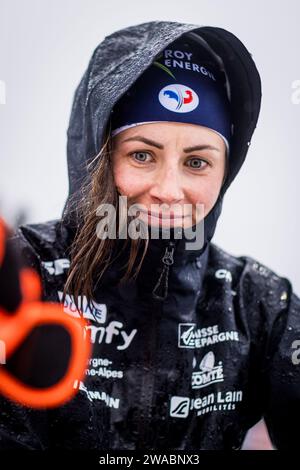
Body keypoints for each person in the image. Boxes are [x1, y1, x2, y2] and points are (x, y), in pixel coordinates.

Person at [1, 20, 300, 451]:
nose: (168, 190)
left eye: (197, 163)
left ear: (225, 172)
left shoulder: (261, 306)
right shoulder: (22, 274)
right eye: (142, 155)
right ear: (99, 157)